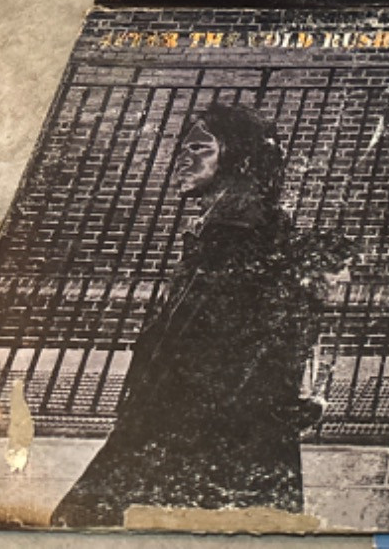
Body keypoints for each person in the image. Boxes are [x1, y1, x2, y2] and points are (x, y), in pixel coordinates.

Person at [50, 103, 323, 527]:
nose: (183, 158)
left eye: (200, 149)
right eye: (185, 148)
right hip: (216, 429)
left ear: (238, 158)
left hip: (197, 426)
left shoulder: (236, 237)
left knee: (84, 520)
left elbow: (204, 343)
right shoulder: (236, 230)